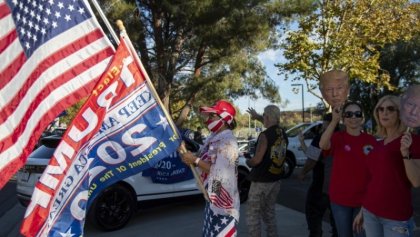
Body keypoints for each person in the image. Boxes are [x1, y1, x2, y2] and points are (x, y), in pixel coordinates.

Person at [353, 95, 420, 237]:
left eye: (390, 109)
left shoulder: (411, 141)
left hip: (395, 217)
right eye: (380, 109)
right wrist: (362, 210)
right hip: (370, 212)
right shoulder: (378, 144)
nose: (384, 112)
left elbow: (416, 181)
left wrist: (405, 152)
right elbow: (375, 180)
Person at [178, 100, 240, 237]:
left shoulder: (228, 142)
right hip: (212, 197)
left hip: (223, 204)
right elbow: (203, 157)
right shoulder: (214, 137)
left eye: (212, 116)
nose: (208, 119)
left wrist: (195, 160)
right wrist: (186, 153)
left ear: (224, 119)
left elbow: (219, 172)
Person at [319, 101, 377, 237]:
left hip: (364, 202)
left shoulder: (371, 141)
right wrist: (334, 121)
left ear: (362, 118)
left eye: (357, 114)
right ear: (343, 119)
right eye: (349, 114)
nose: (353, 117)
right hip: (340, 200)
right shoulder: (338, 138)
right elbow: (323, 144)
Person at [245, 105, 287, 237]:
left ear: (267, 117)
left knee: (253, 214)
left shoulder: (264, 135)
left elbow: (257, 160)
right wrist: (257, 116)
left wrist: (247, 162)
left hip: (261, 180)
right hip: (276, 179)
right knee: (269, 213)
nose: (263, 118)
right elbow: (271, 123)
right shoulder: (283, 133)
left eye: (264, 116)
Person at [298, 113, 338, 237]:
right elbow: (311, 154)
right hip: (338, 187)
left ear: (326, 123)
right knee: (336, 221)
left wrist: (303, 172)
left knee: (313, 215)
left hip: (320, 185)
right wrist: (302, 142)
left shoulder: (321, 137)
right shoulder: (342, 136)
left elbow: (312, 159)